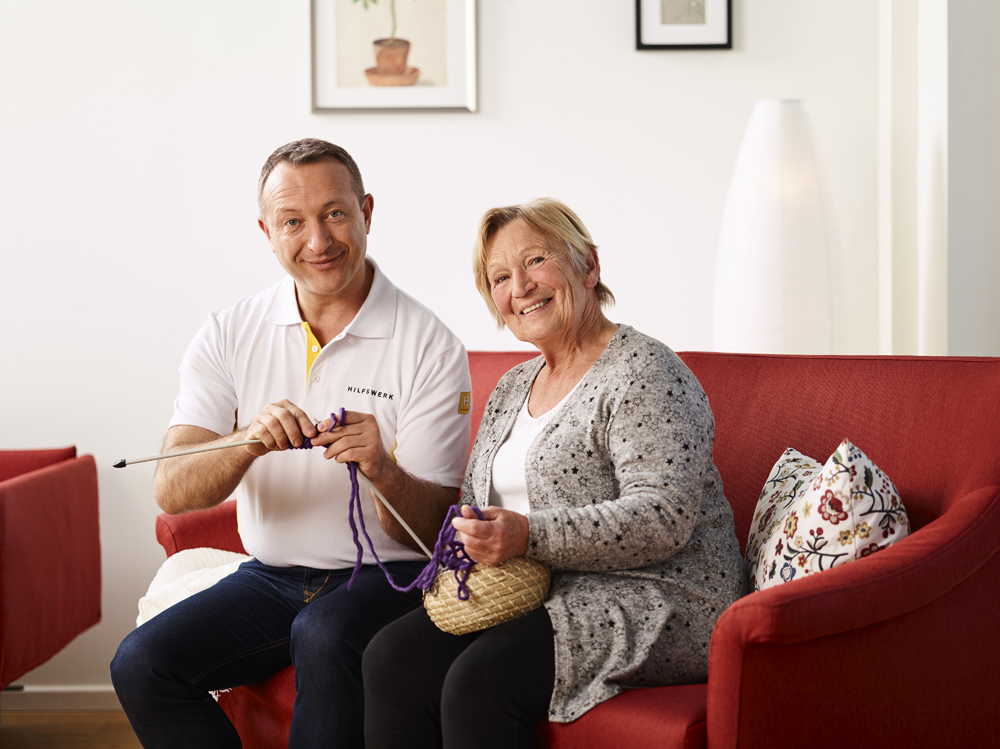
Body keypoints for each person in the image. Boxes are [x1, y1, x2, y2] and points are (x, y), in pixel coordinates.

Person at [110, 138, 472, 748]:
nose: (318, 240)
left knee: (325, 632)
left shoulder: (431, 345)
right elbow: (172, 491)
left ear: (366, 213)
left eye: (335, 213)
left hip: (388, 578)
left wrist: (381, 469)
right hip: (270, 577)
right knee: (141, 665)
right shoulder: (228, 331)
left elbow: (433, 531)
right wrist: (246, 442)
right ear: (267, 232)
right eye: (292, 222)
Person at [362, 198, 746, 748]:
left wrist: (527, 535)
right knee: (390, 657)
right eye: (500, 277)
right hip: (538, 591)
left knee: (479, 682)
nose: (520, 287)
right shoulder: (512, 387)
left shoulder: (644, 371)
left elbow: (663, 517)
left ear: (588, 266)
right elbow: (475, 505)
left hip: (660, 596)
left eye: (536, 260)